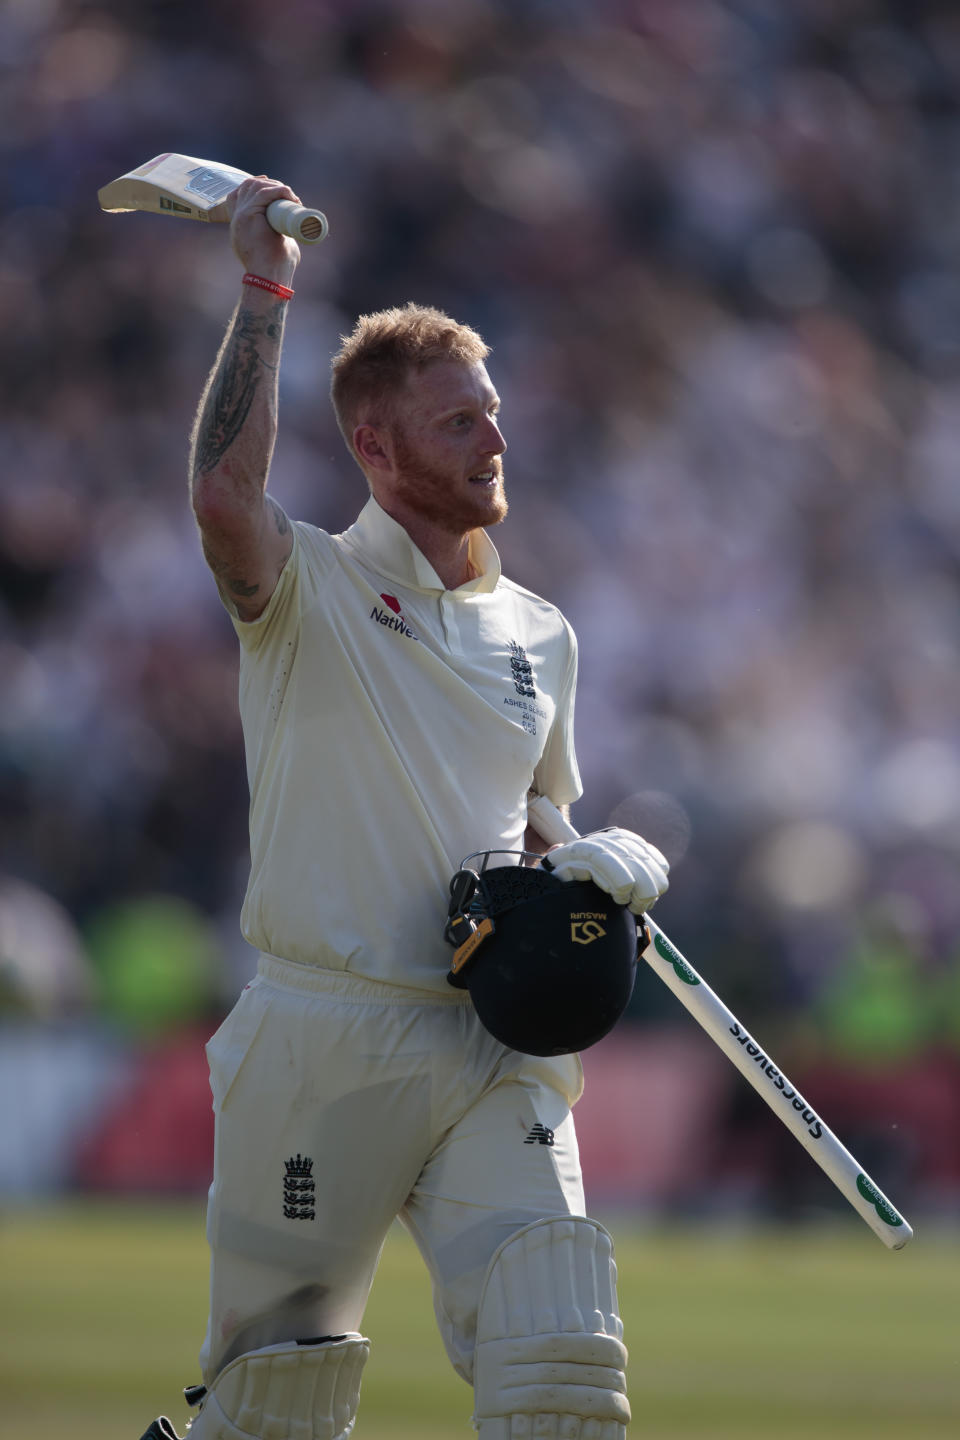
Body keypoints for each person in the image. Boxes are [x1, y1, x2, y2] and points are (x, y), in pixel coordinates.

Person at [139, 175, 669, 1440]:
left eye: (492, 415)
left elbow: (531, 826)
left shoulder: (543, 631)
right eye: (456, 424)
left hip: (489, 1036)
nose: (493, 441)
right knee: (275, 1411)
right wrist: (266, 292)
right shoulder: (307, 586)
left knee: (565, 1370)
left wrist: (593, 864)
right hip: (321, 1044)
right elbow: (222, 501)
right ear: (374, 450)